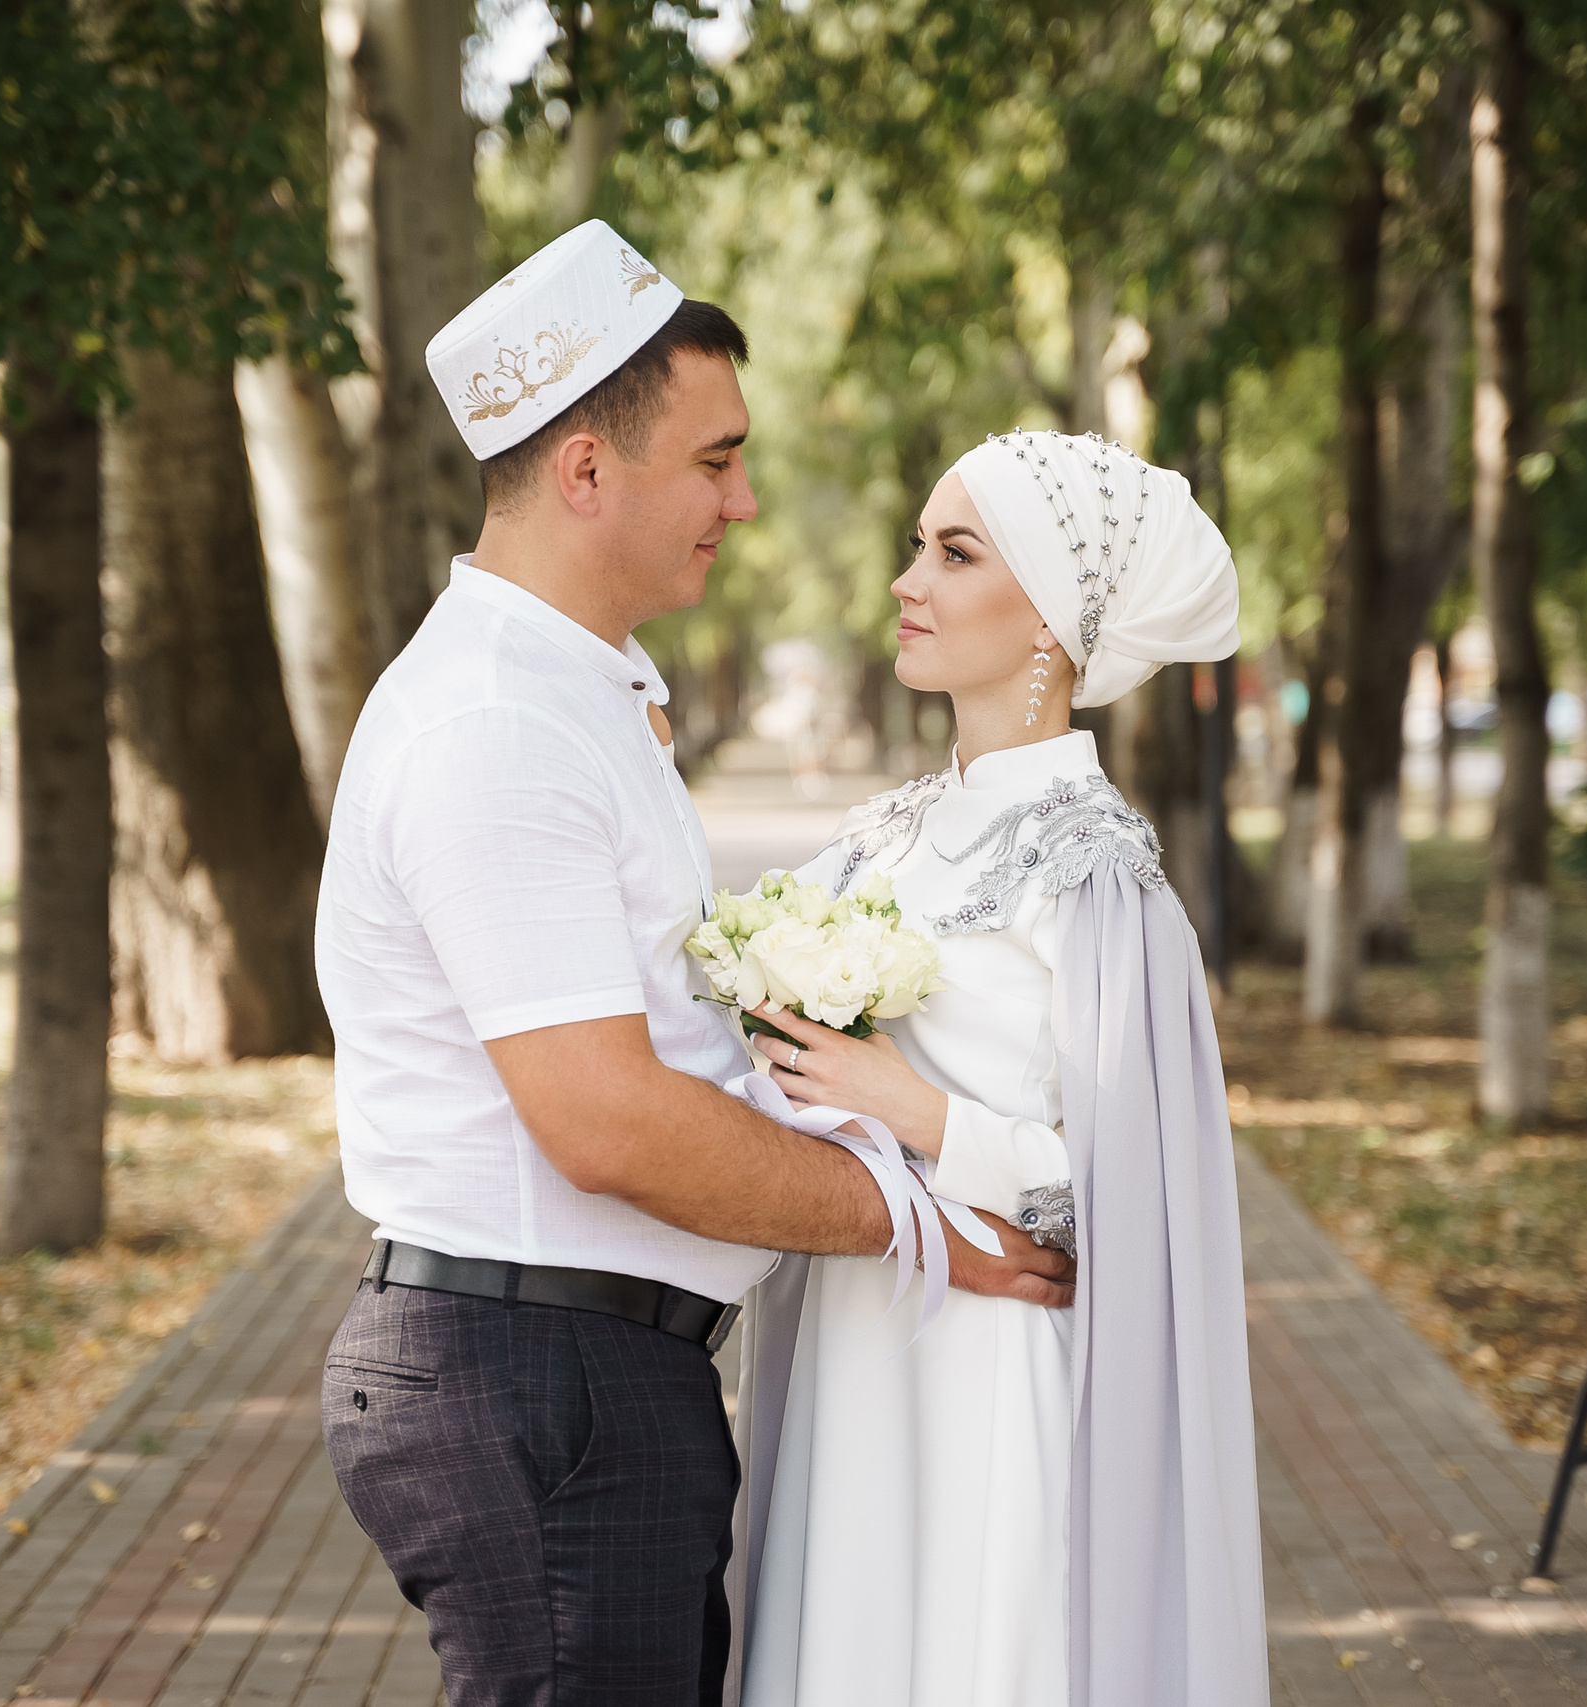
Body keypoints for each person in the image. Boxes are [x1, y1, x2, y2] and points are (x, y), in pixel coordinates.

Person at [313, 221, 1073, 1707]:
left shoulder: (580, 692)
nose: (743, 496)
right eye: (714, 458)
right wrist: (920, 1221)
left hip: (578, 1366)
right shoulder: (499, 724)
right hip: (538, 1376)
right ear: (586, 470)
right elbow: (606, 1117)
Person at [730, 430, 1269, 1706]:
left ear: (1051, 622)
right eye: (917, 545)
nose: (907, 581)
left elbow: (1135, 1197)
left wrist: (913, 1111)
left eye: (953, 553)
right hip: (860, 1336)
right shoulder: (881, 834)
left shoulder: (1097, 870)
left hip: (988, 1348)